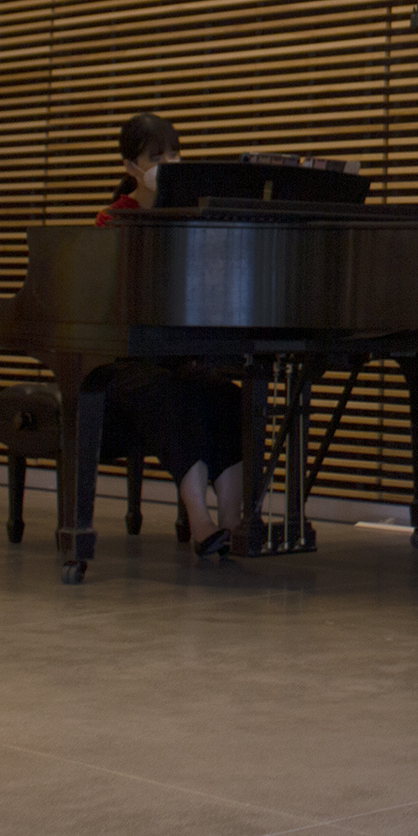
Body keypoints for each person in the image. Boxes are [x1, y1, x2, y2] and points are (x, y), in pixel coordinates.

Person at [94, 113, 245, 559]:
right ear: (131, 167)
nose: (169, 163)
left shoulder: (190, 214)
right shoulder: (112, 220)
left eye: (174, 154)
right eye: (156, 157)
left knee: (226, 397)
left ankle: (233, 522)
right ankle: (200, 521)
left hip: (173, 356)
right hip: (124, 360)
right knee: (166, 394)